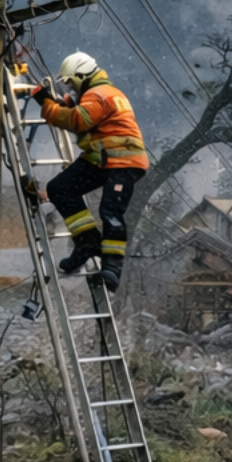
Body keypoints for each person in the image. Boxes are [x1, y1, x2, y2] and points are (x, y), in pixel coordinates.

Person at [26, 51, 148, 291]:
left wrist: (50, 109)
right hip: (101, 159)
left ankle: (112, 268)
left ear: (82, 76)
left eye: (72, 82)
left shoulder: (100, 94)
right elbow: (80, 112)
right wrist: (52, 102)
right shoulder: (98, 93)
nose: (70, 87)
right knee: (60, 188)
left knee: (110, 212)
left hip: (122, 162)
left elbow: (78, 120)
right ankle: (87, 242)